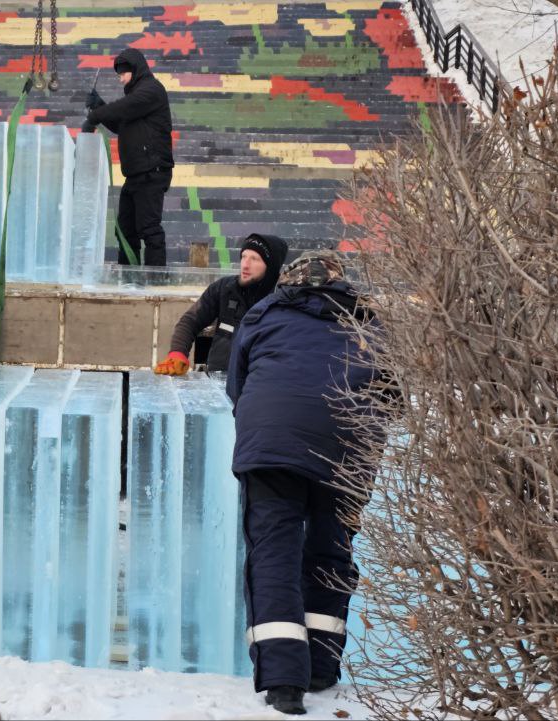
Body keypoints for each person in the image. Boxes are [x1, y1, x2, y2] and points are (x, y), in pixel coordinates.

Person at [225, 251, 387, 715]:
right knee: (331, 549)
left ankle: (283, 684)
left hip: (274, 440)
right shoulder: (369, 321)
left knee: (274, 550)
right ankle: (320, 668)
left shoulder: (264, 312)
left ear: (289, 282)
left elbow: (237, 381)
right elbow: (394, 394)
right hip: (350, 444)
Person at [82, 48, 174, 267]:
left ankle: (155, 282)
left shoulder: (151, 91)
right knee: (125, 230)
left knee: (149, 228)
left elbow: (125, 108)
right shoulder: (135, 99)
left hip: (152, 172)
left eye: (122, 73)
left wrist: (94, 116)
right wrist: (99, 106)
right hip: (135, 175)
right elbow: (121, 124)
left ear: (135, 69)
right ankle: (129, 278)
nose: (120, 78)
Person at [154, 234, 288, 375]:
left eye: (254, 259)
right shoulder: (224, 288)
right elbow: (190, 321)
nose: (245, 265)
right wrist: (178, 353)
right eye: (243, 256)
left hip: (261, 382)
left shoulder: (284, 299)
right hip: (219, 378)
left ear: (271, 266)